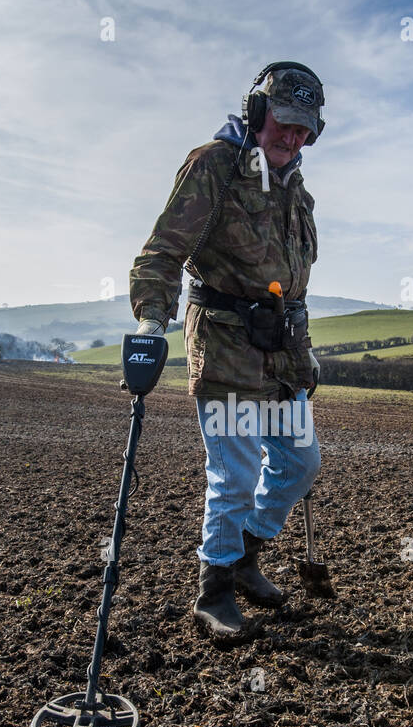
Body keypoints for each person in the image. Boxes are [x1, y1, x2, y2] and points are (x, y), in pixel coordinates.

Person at [129, 62, 326, 643]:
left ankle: (245, 556)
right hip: (225, 342)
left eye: (304, 130)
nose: (292, 138)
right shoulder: (213, 166)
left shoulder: (299, 192)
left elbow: (297, 286)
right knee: (235, 474)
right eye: (284, 124)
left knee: (300, 463)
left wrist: (305, 352)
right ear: (259, 113)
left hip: (282, 349)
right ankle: (214, 587)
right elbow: (162, 253)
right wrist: (150, 320)